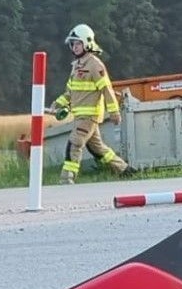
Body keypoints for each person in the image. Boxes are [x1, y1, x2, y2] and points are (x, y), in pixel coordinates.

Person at [49, 24, 132, 183]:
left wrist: (114, 112)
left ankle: (67, 178)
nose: (74, 47)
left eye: (78, 43)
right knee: (97, 148)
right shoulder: (76, 66)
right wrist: (57, 103)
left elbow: (106, 89)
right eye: (72, 44)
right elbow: (70, 93)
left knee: (75, 143)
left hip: (89, 116)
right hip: (80, 115)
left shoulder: (95, 64)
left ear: (87, 43)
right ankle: (125, 170)